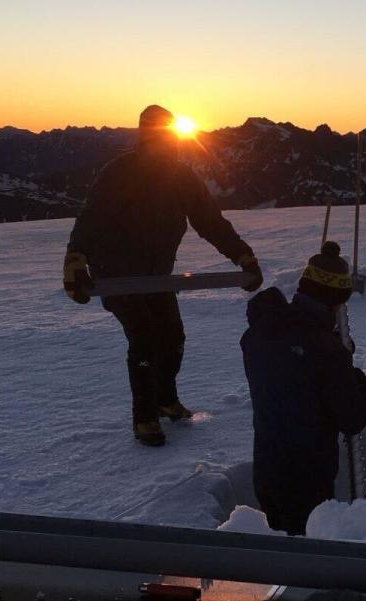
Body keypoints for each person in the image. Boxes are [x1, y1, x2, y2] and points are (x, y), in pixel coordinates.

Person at [63, 104, 263, 447]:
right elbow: (91, 218)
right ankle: (145, 418)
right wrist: (76, 262)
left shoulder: (181, 177)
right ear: (146, 136)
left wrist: (242, 256)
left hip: (157, 276)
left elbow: (210, 222)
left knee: (172, 336)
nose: (167, 145)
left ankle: (165, 399)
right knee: (144, 338)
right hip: (117, 274)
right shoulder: (119, 173)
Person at [241, 242, 366, 535]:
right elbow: (352, 419)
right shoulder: (327, 351)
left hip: (266, 466)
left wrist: (329, 351)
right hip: (308, 476)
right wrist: (357, 380)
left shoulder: (259, 332)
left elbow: (291, 369)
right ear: (338, 300)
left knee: (277, 547)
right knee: (304, 554)